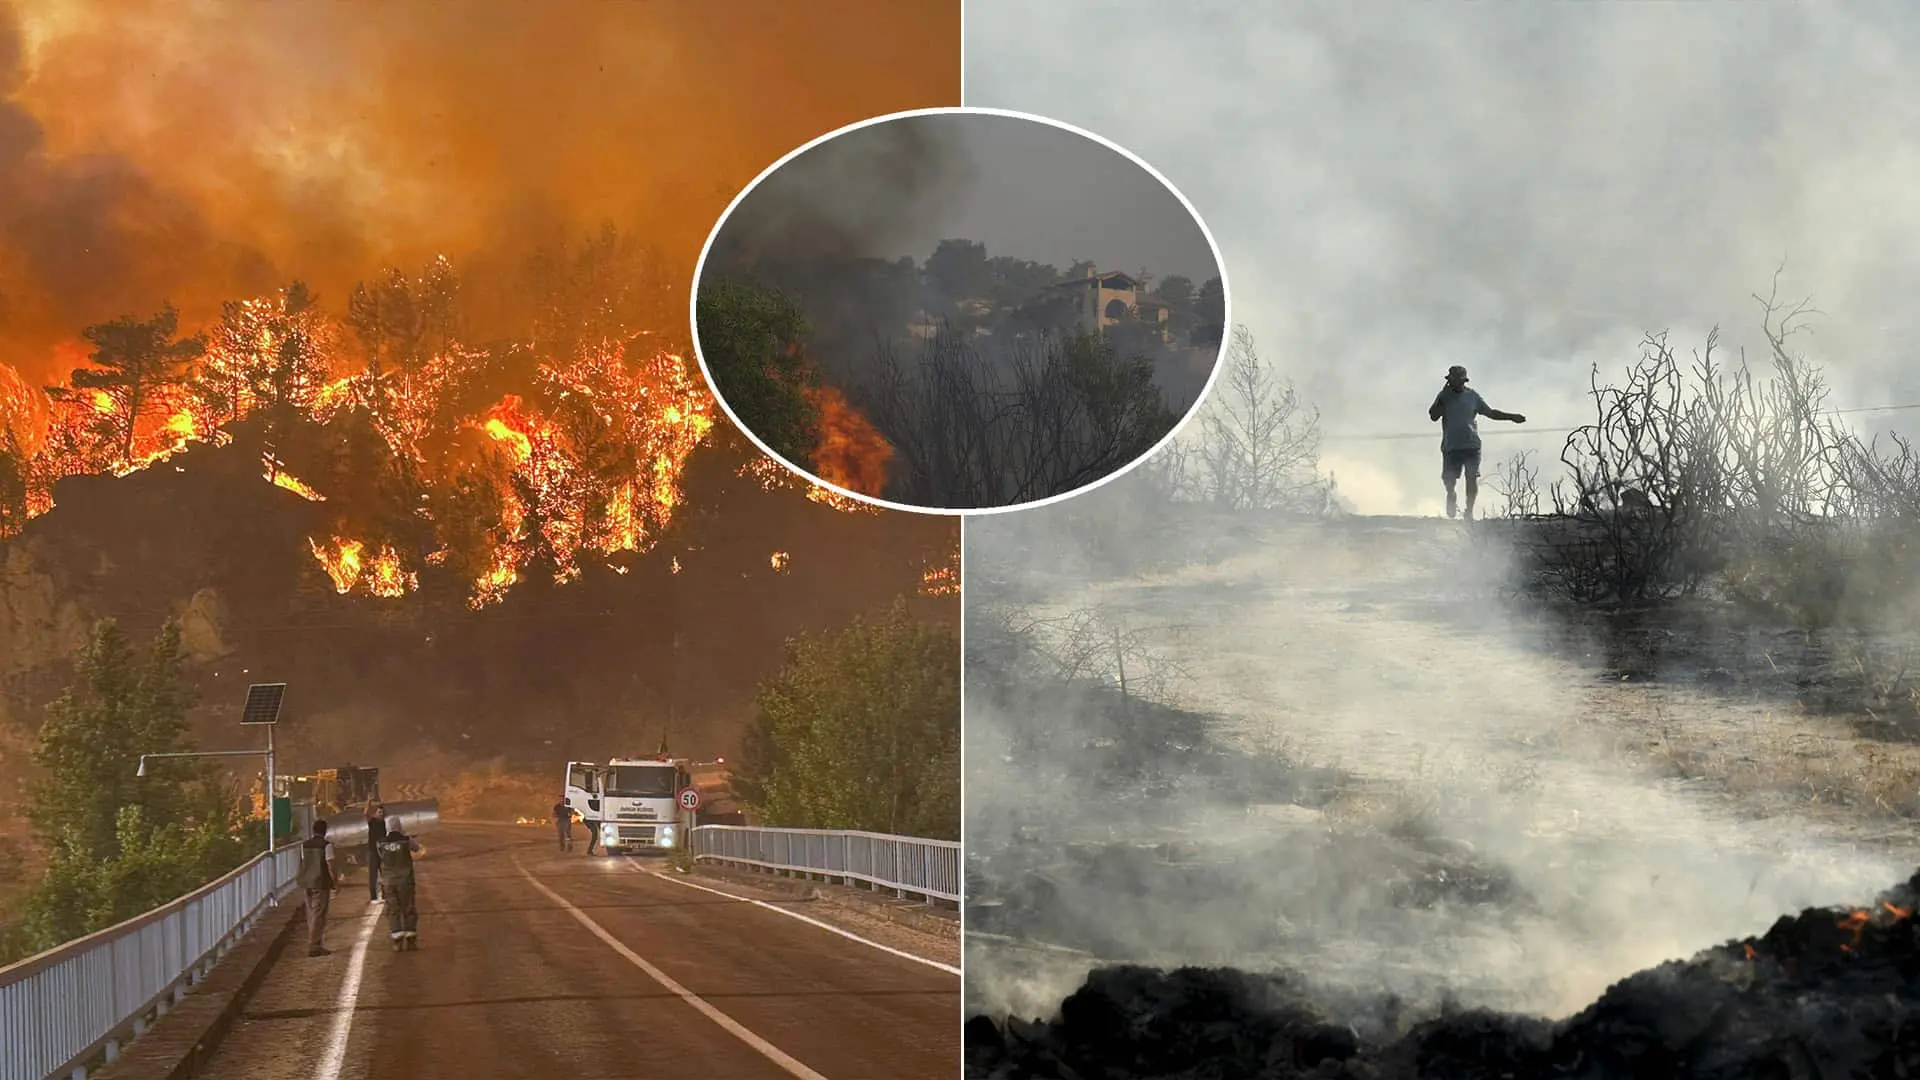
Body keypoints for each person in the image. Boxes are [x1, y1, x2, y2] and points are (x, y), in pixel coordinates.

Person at [1428, 365, 1526, 520]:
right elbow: (1433, 416)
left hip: (1471, 445)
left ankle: (1469, 510)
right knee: (1449, 479)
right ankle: (1451, 495)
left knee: (1471, 478)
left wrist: (1511, 417)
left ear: (1464, 381)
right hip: (1451, 446)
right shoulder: (1444, 396)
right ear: (1449, 380)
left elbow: (1491, 413)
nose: (1456, 383)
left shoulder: (1472, 396)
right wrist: (1441, 399)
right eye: (1453, 380)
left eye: (1459, 380)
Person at [376, 818, 423, 951]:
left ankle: (397, 941)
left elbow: (380, 858)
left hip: (389, 882)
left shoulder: (380, 842)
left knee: (393, 910)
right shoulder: (406, 840)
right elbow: (417, 849)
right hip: (406, 880)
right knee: (408, 908)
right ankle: (411, 940)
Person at [297, 819, 338, 957]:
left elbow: (303, 863)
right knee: (319, 914)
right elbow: (330, 865)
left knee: (310, 914)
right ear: (325, 831)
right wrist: (335, 882)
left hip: (306, 882)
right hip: (320, 883)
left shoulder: (305, 845)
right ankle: (314, 945)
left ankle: (314, 942)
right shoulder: (326, 846)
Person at [364, 799, 388, 904]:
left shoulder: (384, 823)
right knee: (373, 876)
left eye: (382, 812)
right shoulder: (372, 822)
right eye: (379, 812)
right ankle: (373, 897)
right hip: (373, 852)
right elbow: (366, 813)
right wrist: (368, 802)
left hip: (382, 852)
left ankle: (384, 895)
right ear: (375, 813)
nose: (381, 814)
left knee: (384, 874)